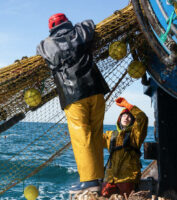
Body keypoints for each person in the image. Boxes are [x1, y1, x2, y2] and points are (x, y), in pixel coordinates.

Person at [36, 13, 110, 196]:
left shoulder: (48, 44)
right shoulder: (80, 32)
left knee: (81, 138)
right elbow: (89, 24)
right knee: (95, 134)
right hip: (96, 91)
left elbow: (40, 49)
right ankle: (98, 177)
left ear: (51, 30)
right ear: (67, 23)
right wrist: (73, 29)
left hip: (74, 96)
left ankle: (89, 181)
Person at [101, 97, 148, 197]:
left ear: (133, 120)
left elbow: (143, 118)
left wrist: (128, 106)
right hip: (110, 178)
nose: (126, 118)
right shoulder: (110, 134)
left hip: (128, 177)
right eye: (124, 115)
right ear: (119, 118)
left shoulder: (136, 135)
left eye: (129, 116)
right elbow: (95, 140)